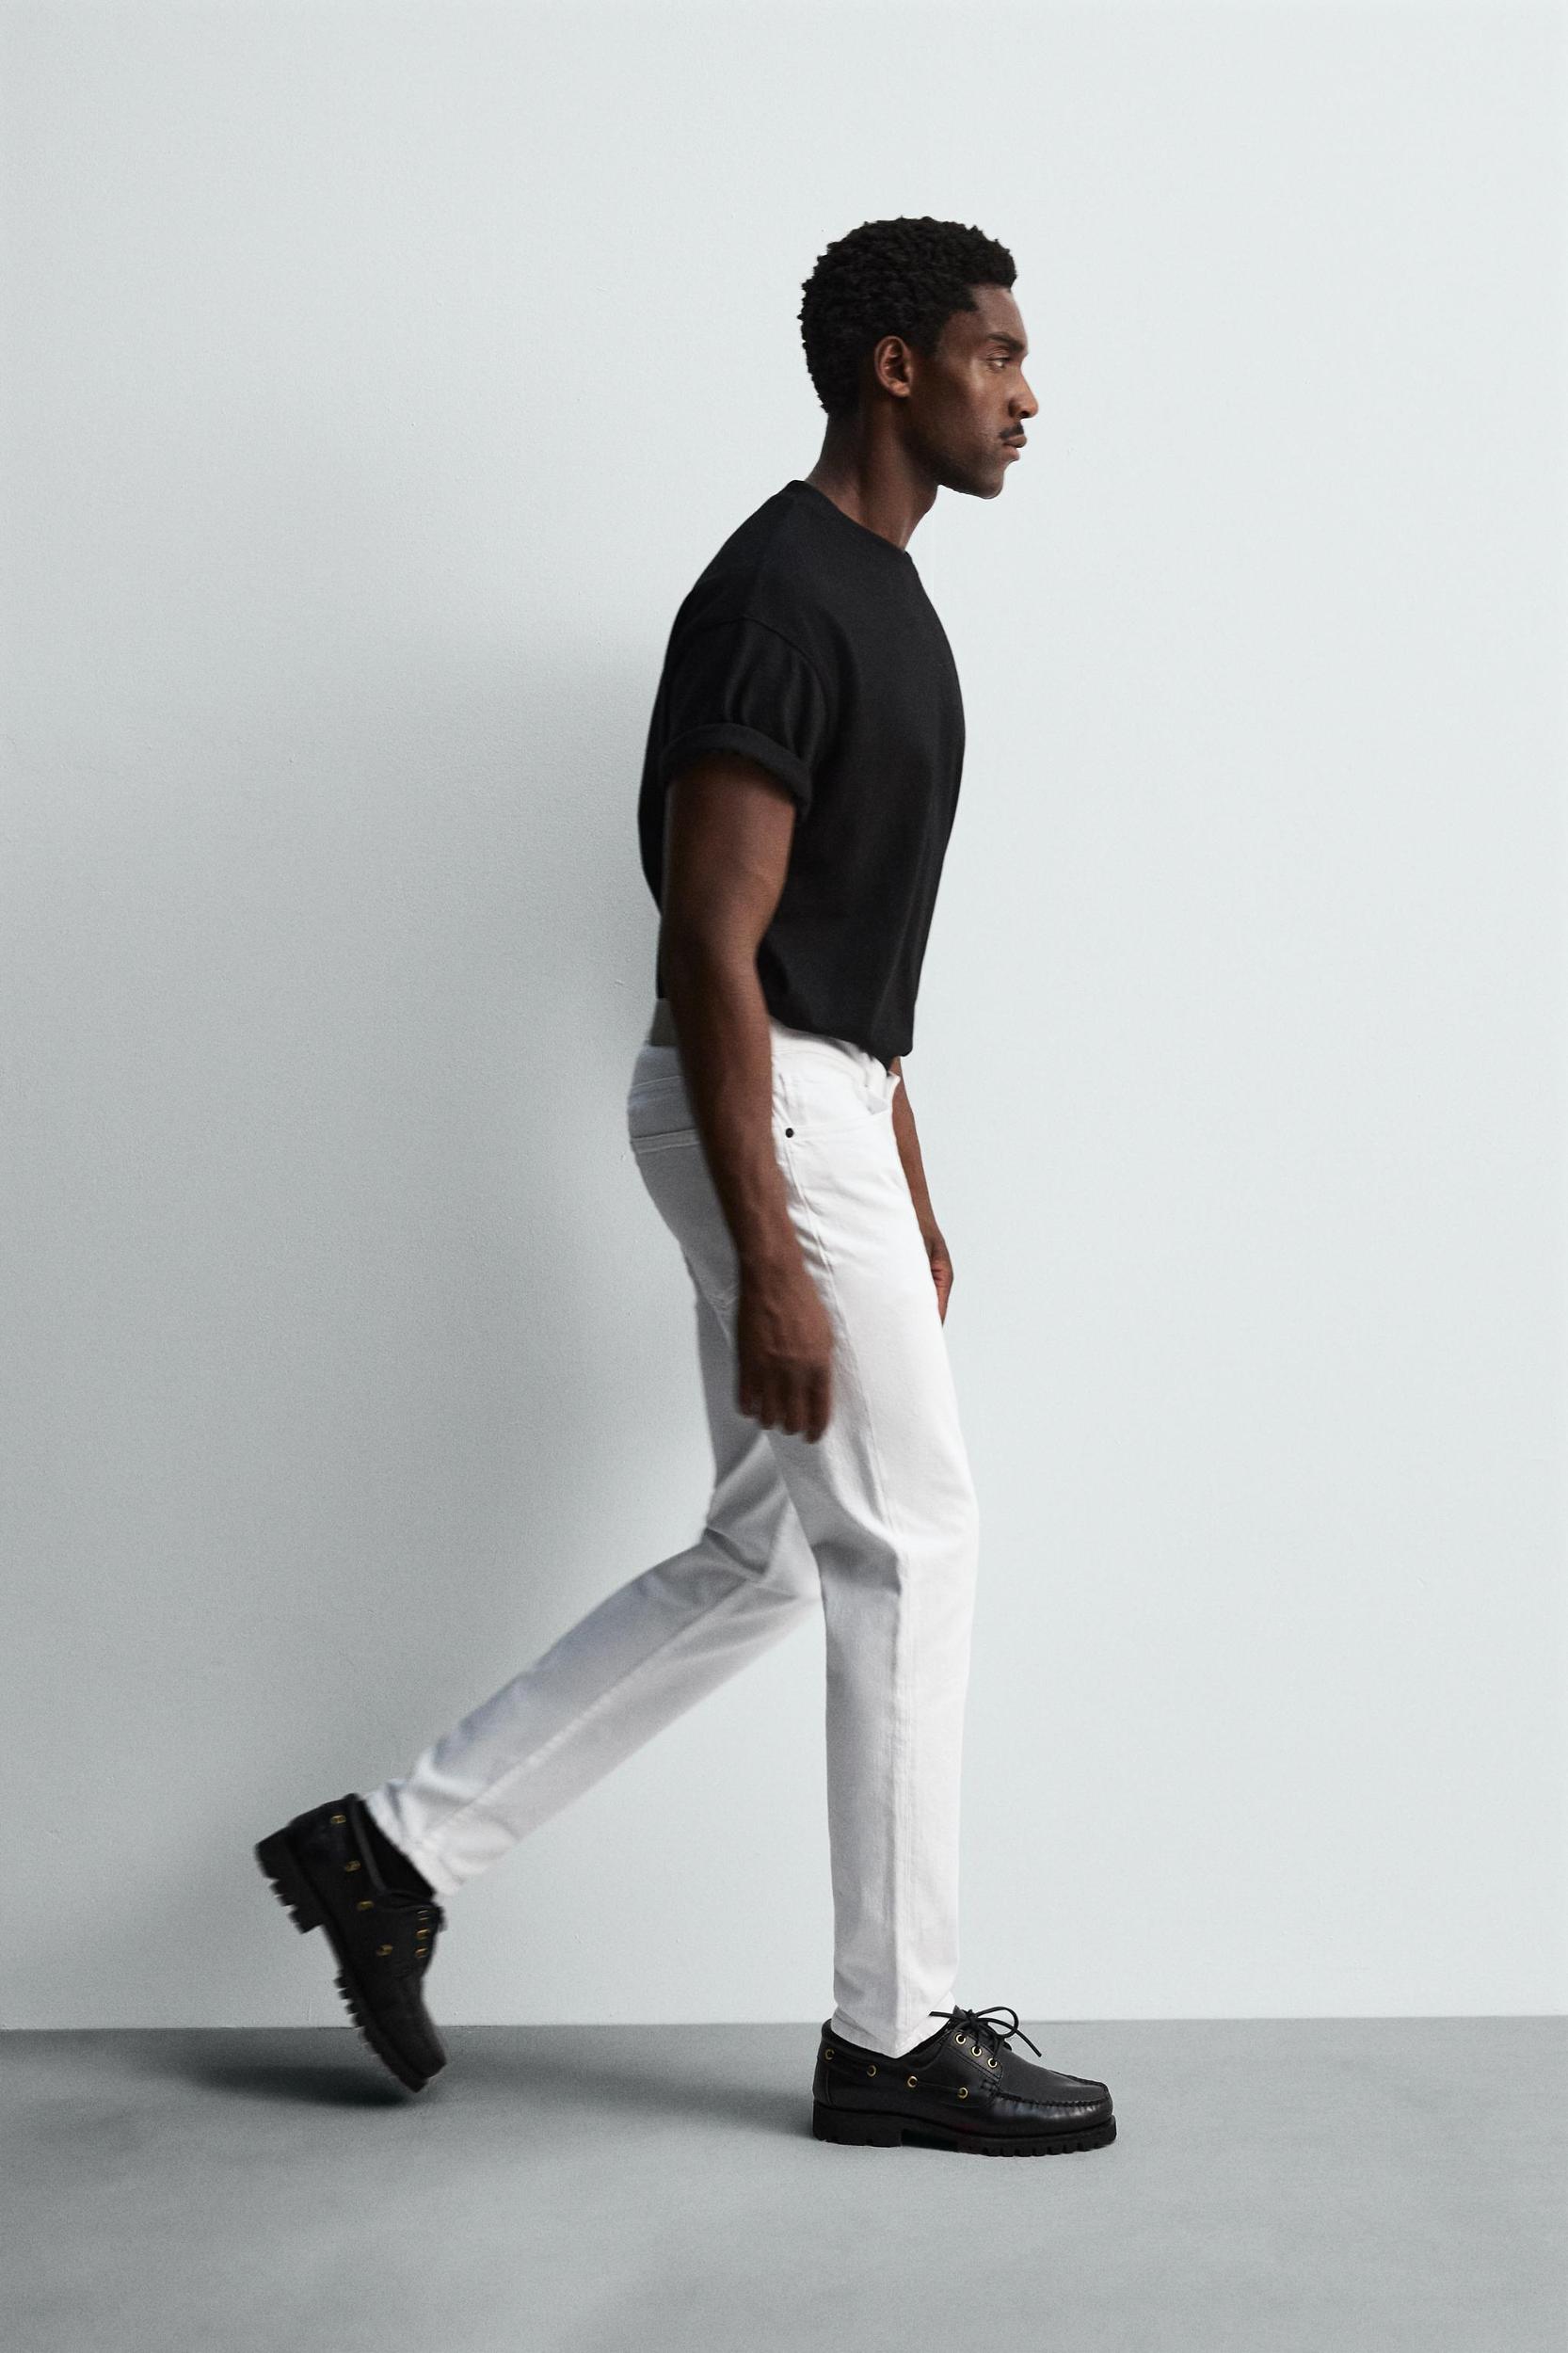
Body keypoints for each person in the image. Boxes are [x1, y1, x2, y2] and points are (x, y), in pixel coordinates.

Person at [255, 215, 1115, 2157]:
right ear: (894, 364)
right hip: (762, 1108)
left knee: (772, 1552)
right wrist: (778, 1248)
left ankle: (394, 1846)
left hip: (823, 1106)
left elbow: (843, 954)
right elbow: (713, 943)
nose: (1024, 393)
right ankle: (890, 2032)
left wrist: (905, 1180)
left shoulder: (883, 597)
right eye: (995, 353)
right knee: (913, 1540)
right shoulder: (777, 599)